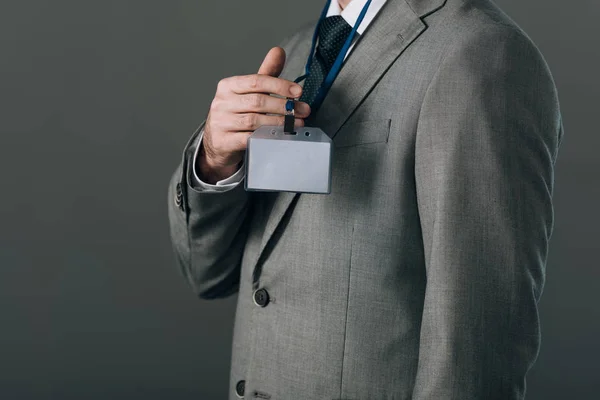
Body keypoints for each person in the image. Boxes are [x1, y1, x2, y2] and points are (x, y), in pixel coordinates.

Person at [167, 0, 563, 398]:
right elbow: (208, 274)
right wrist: (215, 161)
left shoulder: (483, 53)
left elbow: (477, 342)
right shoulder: (299, 49)